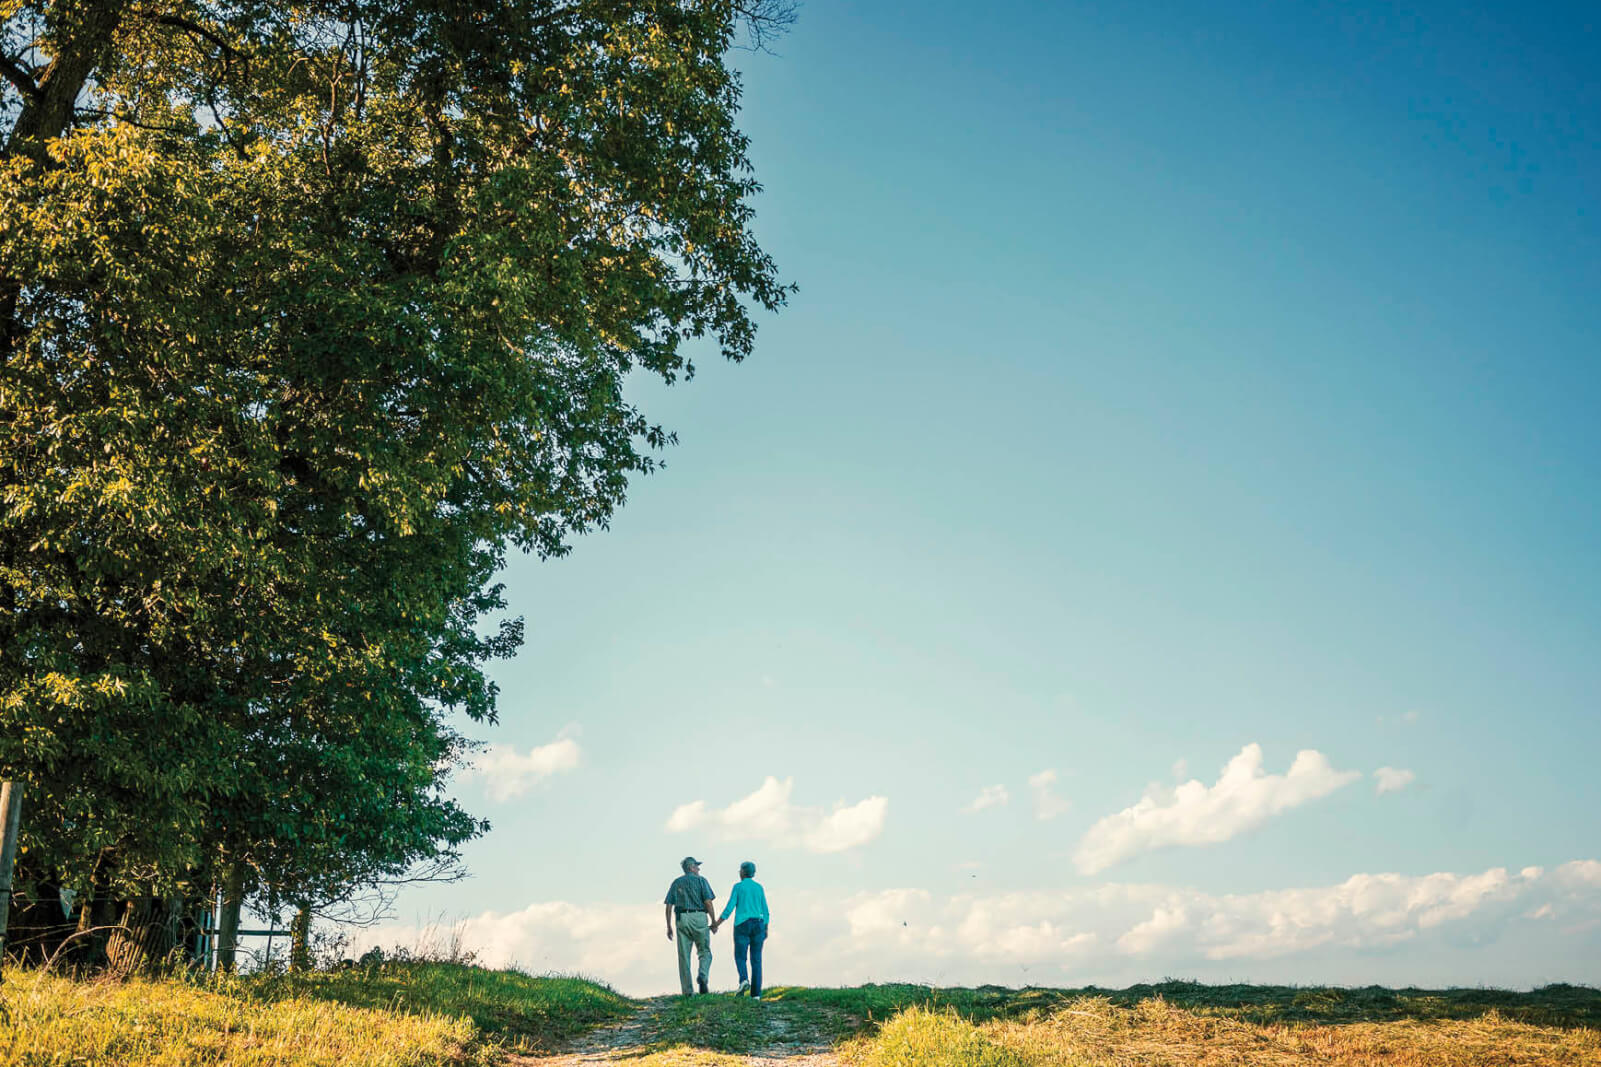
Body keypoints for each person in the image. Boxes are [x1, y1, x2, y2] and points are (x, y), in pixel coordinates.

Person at [711, 859, 769, 998]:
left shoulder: (738, 887)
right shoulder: (759, 887)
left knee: (740, 956)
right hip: (759, 924)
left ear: (743, 872)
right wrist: (765, 928)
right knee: (757, 959)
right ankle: (756, 995)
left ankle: (744, 980)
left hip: (742, 925)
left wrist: (716, 924)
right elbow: (766, 910)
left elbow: (729, 907)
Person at [663, 855, 716, 995]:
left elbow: (668, 905)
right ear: (691, 868)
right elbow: (708, 902)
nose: (698, 869)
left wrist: (668, 926)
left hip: (682, 918)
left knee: (684, 956)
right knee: (704, 951)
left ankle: (687, 992)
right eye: (697, 866)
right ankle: (703, 975)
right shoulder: (701, 881)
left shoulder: (676, 883)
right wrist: (714, 921)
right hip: (699, 916)